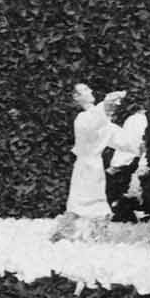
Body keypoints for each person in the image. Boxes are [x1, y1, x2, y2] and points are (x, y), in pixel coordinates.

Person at [52, 83, 126, 241]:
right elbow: (93, 123)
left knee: (96, 200)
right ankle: (72, 235)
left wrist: (138, 144)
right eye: (85, 89)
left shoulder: (101, 120)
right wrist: (106, 104)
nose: (91, 90)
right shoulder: (82, 119)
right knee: (81, 201)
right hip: (85, 168)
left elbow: (117, 137)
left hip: (95, 168)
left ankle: (93, 235)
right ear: (76, 97)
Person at [105, 102, 149, 224]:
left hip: (125, 161)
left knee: (125, 191)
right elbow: (139, 142)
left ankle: (125, 211)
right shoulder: (140, 120)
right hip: (135, 160)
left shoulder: (131, 120)